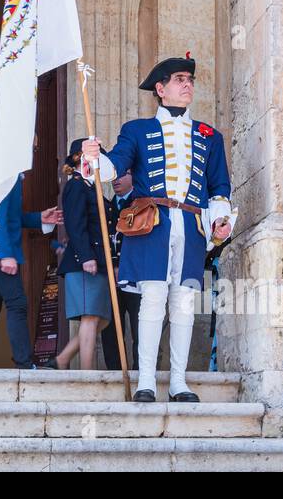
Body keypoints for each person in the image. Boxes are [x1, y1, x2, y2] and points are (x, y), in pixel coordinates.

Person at [82, 54, 235, 403]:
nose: (187, 84)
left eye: (190, 80)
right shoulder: (137, 130)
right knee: (152, 300)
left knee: (183, 303)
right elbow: (114, 168)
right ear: (161, 89)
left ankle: (179, 382)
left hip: (192, 223)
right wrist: (93, 157)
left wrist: (220, 220)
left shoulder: (210, 135)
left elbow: (219, 188)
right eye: (179, 79)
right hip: (152, 223)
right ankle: (146, 381)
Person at [0, 153, 63, 369]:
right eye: (32, 147)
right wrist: (3, 253)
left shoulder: (4, 166)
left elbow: (11, 215)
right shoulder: (3, 167)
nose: (32, 153)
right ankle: (24, 364)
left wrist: (39, 218)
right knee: (17, 303)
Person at [54, 138, 113, 370]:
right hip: (84, 261)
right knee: (89, 318)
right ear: (81, 157)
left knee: (98, 319)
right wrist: (86, 256)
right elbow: (75, 224)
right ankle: (86, 374)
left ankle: (62, 359)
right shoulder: (76, 185)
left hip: (96, 260)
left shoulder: (91, 187)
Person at [101, 172, 143, 371]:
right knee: (109, 329)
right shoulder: (105, 206)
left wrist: (122, 265)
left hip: (136, 276)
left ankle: (140, 373)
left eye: (124, 174)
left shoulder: (141, 204)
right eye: (114, 175)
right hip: (110, 277)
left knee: (139, 327)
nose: (116, 180)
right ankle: (116, 372)